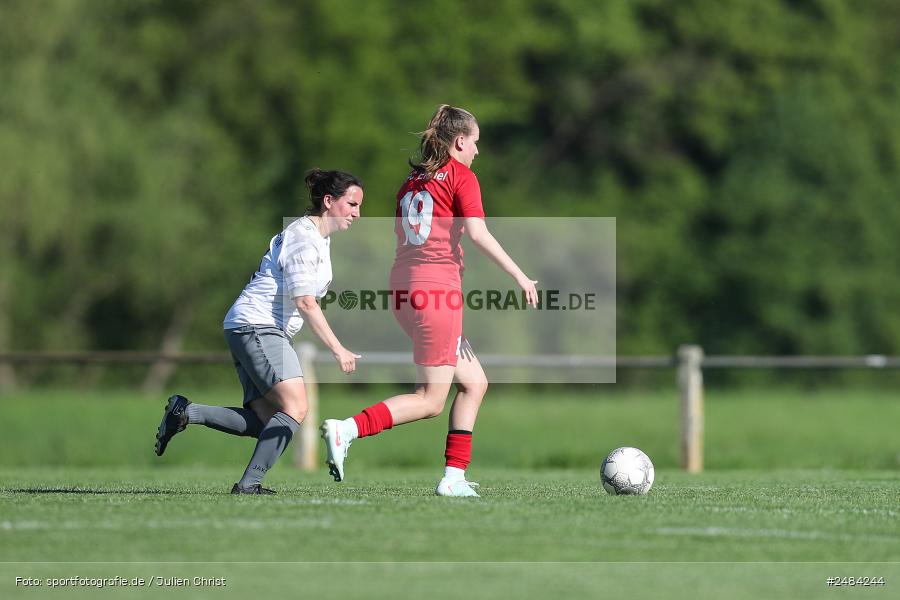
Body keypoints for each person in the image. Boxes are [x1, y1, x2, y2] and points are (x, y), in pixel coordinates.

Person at [320, 105, 537, 497]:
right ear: (459, 141)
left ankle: (454, 477)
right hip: (436, 293)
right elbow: (476, 233)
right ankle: (347, 429)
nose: (477, 151)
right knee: (430, 399)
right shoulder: (462, 176)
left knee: (474, 382)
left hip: (403, 288)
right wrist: (519, 275)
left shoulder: (412, 180)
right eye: (474, 142)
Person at [154, 169, 364, 494]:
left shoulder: (317, 238)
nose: (357, 213)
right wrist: (338, 348)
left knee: (269, 422)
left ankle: (186, 412)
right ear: (328, 201)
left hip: (250, 325)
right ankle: (248, 486)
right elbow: (306, 302)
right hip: (259, 325)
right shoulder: (305, 238)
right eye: (351, 204)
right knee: (296, 408)